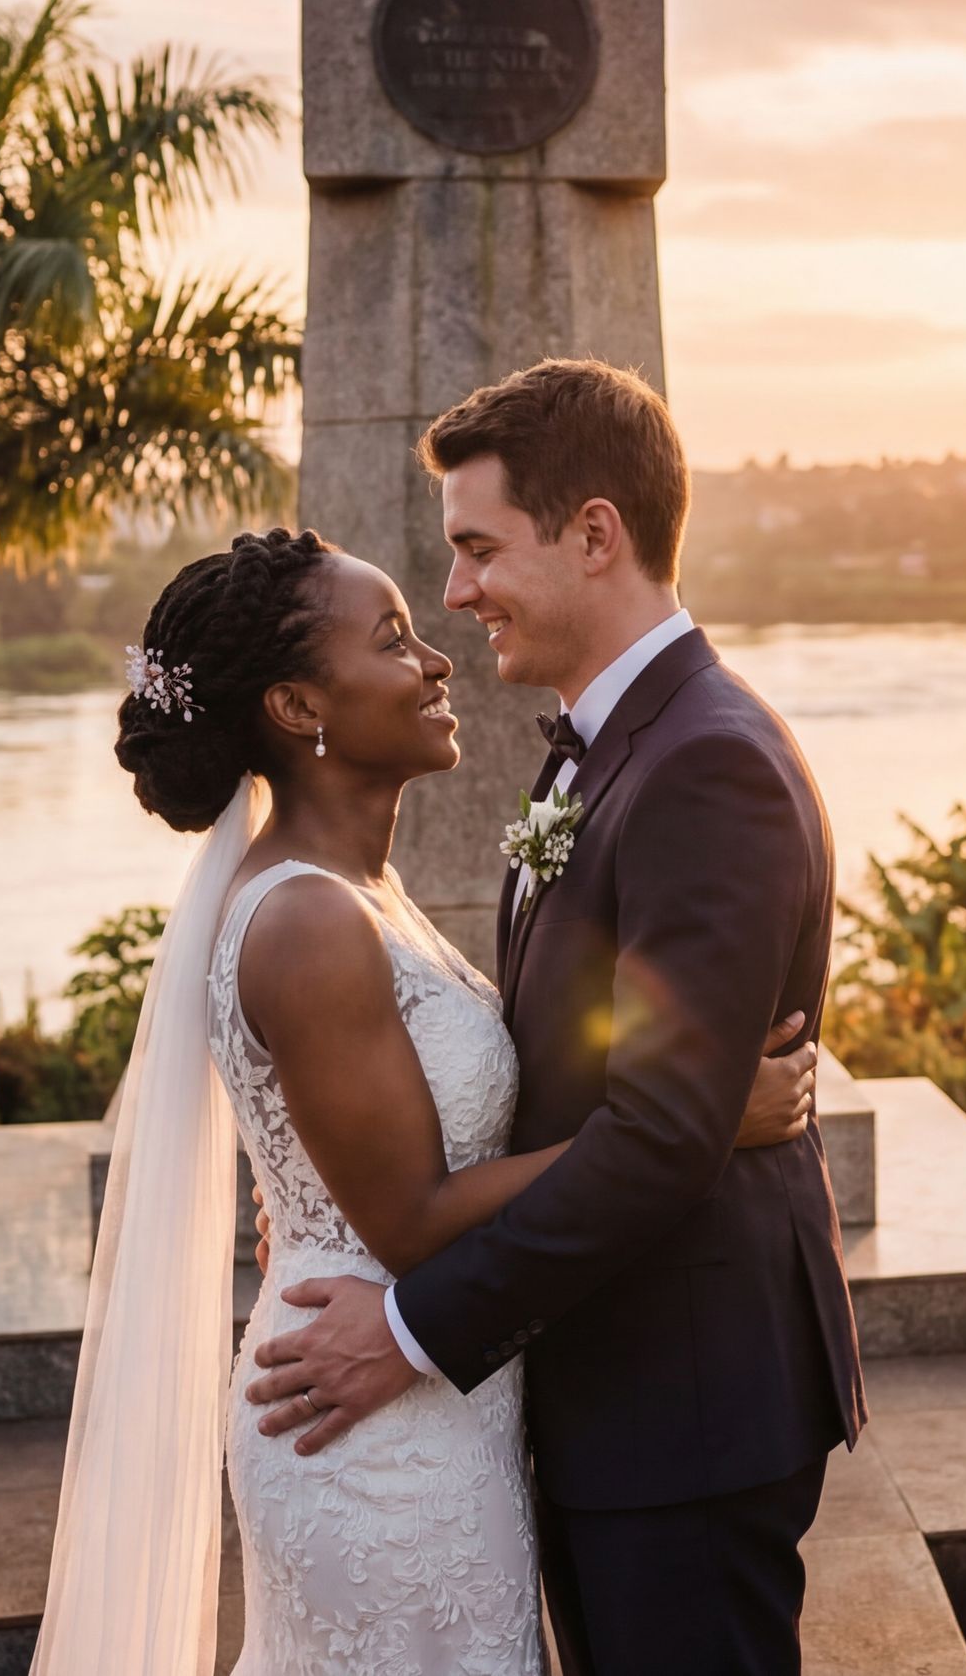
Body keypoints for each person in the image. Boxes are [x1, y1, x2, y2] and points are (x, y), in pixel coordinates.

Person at [31, 524, 820, 1675]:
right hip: (370, 1431)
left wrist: (302, 1203)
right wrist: (697, 1122)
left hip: (438, 1400)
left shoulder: (364, 892)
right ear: (301, 709)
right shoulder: (307, 919)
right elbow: (405, 1215)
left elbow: (368, 1157)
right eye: (393, 638)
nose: (436, 657)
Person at [243, 361, 867, 1675]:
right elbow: (588, 1076)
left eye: (478, 549)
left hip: (685, 1405)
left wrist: (409, 1328)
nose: (457, 591)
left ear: (594, 534)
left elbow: (656, 1138)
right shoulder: (599, 746)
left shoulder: (704, 764)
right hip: (608, 1387)